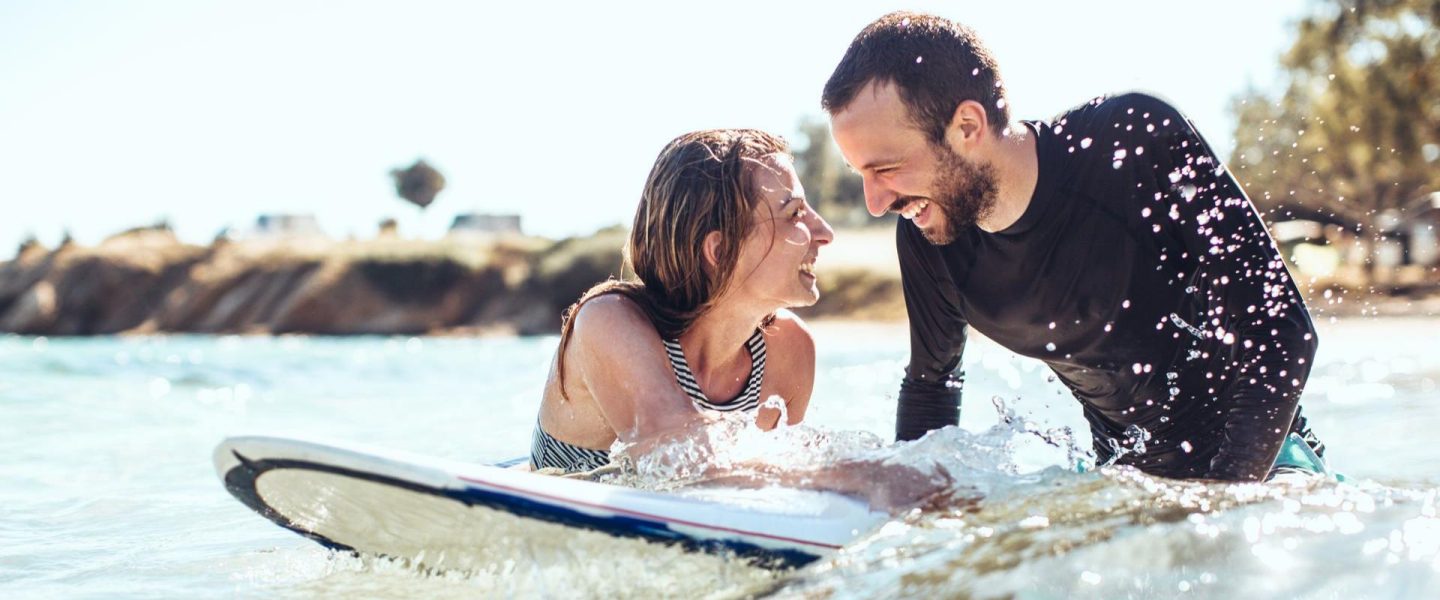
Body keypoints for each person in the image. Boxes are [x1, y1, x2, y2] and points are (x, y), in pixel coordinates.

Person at [821, 12, 1323, 481]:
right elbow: (932, 387)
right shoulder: (931, 236)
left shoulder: (1130, 142)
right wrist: (907, 519)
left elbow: (1282, 329)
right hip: (1126, 480)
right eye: (860, 174)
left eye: (884, 169)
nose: (874, 201)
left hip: (1268, 464)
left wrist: (1225, 498)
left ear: (967, 127)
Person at [530, 129, 834, 473]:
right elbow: (677, 457)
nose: (824, 232)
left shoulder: (789, 350)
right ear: (721, 251)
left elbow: (771, 496)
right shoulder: (608, 320)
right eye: (795, 214)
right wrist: (861, 477)